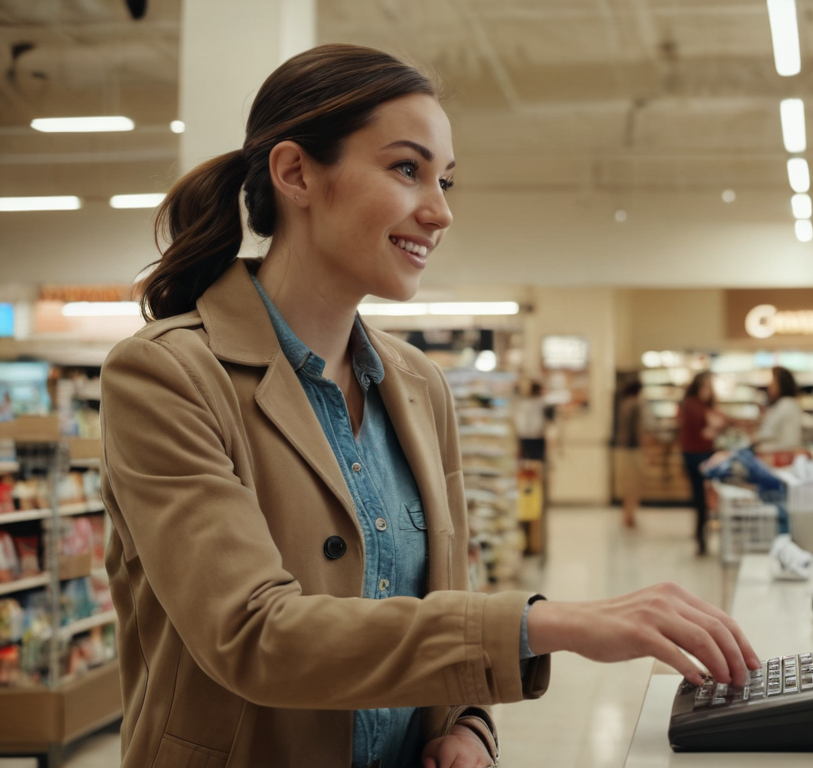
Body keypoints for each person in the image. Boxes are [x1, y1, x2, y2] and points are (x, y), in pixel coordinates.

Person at [100, 44, 757, 768]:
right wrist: (550, 622)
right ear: (295, 174)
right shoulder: (166, 377)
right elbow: (254, 635)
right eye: (407, 170)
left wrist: (469, 727)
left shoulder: (418, 385)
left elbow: (443, 600)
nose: (440, 212)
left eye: (445, 180)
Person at [678, 371, 725, 555]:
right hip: (696, 455)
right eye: (706, 386)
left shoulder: (702, 406)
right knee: (700, 498)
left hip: (703, 454)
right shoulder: (692, 405)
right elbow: (700, 433)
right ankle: (701, 538)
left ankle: (702, 536)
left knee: (704, 499)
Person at [614, 379, 651, 528]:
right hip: (635, 449)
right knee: (635, 485)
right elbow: (640, 430)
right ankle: (630, 515)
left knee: (627, 485)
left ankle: (627, 514)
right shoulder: (637, 404)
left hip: (624, 449)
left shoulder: (624, 404)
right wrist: (647, 450)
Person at [754, 366, 804, 453]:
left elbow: (767, 433)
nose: (769, 386)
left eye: (773, 382)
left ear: (782, 384)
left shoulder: (785, 404)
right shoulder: (789, 403)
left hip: (779, 455)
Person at [515, 380, 548, 462]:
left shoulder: (541, 403)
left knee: (532, 461)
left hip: (532, 434)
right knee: (529, 461)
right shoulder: (529, 403)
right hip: (530, 434)